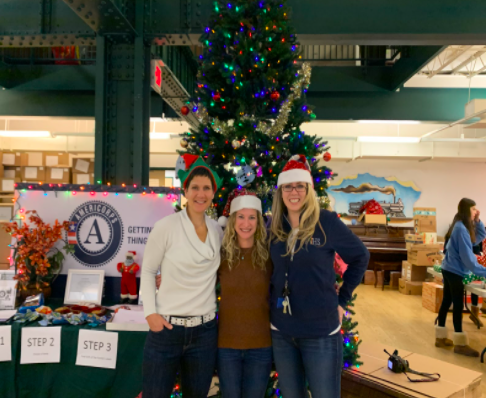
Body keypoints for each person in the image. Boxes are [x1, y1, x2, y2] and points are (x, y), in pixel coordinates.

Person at [268, 155, 370, 398]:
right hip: (282, 331)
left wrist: (342, 300)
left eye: (299, 186)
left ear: (308, 189)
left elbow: (361, 256)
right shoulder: (273, 227)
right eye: (288, 186)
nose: (294, 192)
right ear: (281, 191)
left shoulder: (326, 222)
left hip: (320, 333)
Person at [141, 156, 223, 398]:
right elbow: (147, 271)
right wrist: (150, 314)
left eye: (206, 188)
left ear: (213, 192)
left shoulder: (218, 230)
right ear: (185, 190)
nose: (201, 193)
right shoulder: (166, 226)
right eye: (195, 187)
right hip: (166, 330)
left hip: (205, 332)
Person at [216, 188, 273, 398]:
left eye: (251, 217)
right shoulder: (221, 254)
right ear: (232, 220)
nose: (246, 223)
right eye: (240, 217)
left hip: (261, 346)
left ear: (258, 221)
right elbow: (197, 279)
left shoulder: (269, 256)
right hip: (226, 347)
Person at [435, 198, 486, 357]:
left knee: (447, 301)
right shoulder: (461, 229)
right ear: (466, 211)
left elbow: (479, 238)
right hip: (455, 271)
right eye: (473, 210)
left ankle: (440, 338)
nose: (475, 212)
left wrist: (478, 221)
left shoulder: (460, 226)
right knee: (457, 304)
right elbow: (469, 260)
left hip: (449, 269)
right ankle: (460, 344)